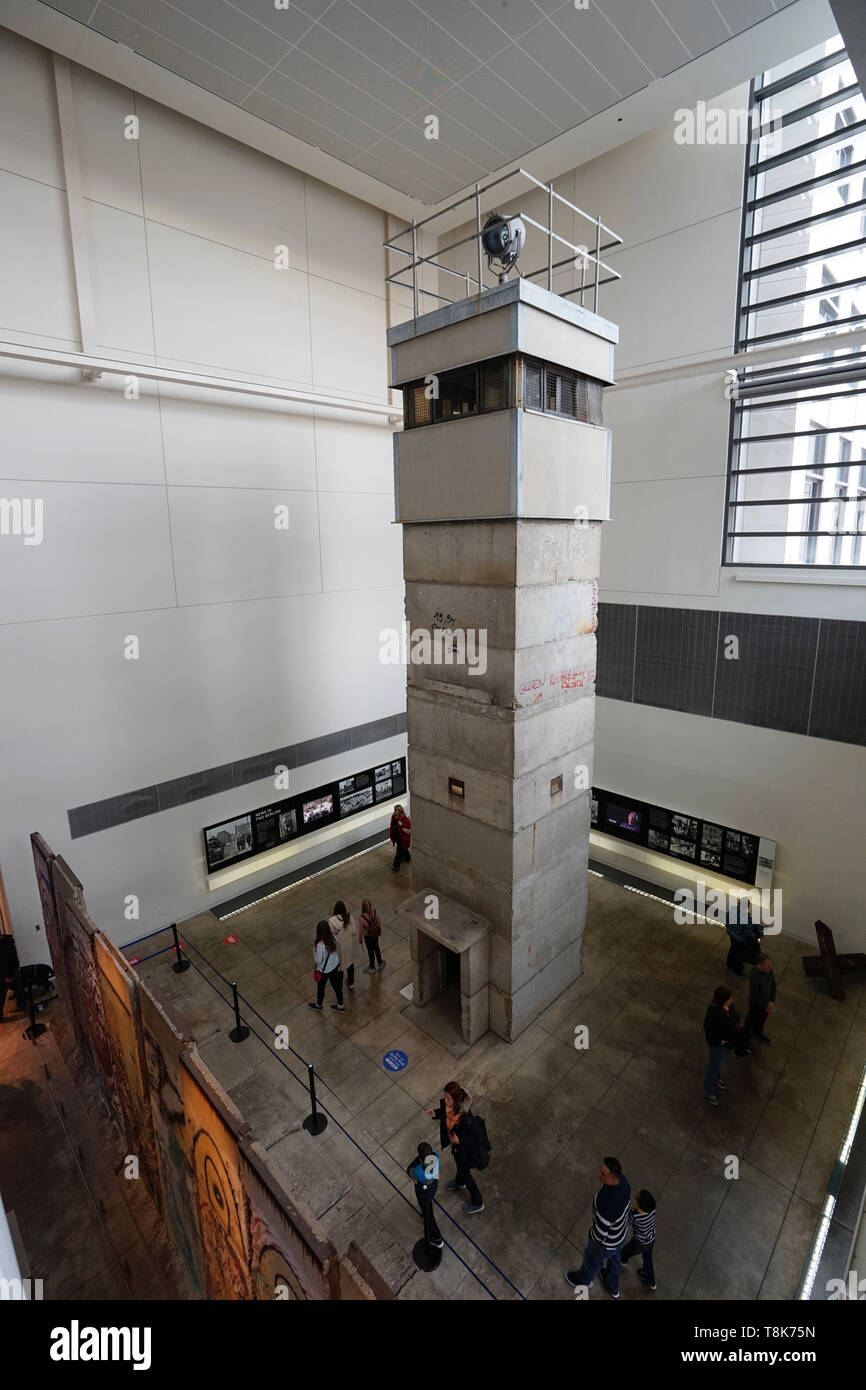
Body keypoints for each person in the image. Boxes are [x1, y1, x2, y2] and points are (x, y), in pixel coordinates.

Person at [565, 1157, 631, 1298]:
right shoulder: (624, 1183)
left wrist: (594, 1241)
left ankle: (584, 1280)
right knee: (615, 1259)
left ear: (613, 1180)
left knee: (592, 1262)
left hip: (604, 1244)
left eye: (602, 1174)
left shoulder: (605, 1201)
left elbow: (601, 1233)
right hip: (620, 1235)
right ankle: (612, 1286)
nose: (598, 1175)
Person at [427, 1082, 485, 1215]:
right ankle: (459, 1182)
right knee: (458, 1163)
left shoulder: (465, 1117)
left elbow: (476, 1137)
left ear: (457, 1100)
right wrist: (435, 1114)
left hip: (466, 1150)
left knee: (466, 1173)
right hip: (457, 1148)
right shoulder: (447, 1106)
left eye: (449, 1099)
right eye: (445, 1097)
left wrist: (460, 1141)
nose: (446, 1101)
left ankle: (478, 1202)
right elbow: (443, 1112)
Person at [703, 985, 739, 1104]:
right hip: (718, 1046)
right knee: (713, 1067)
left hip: (727, 1044)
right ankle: (708, 1090)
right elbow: (708, 1030)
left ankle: (717, 1079)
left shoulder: (728, 1006)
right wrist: (720, 1041)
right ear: (722, 1000)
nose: (731, 1000)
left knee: (718, 1064)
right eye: (729, 998)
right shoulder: (713, 1012)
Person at [407, 1141, 443, 1250]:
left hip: (423, 1191)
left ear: (421, 1158)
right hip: (433, 1185)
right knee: (427, 1208)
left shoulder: (418, 1171)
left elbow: (409, 1170)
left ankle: (437, 1238)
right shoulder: (435, 1156)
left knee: (428, 1213)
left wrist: (418, 1162)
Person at [621, 1188, 656, 1290]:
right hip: (651, 1239)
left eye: (638, 1195)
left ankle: (623, 1259)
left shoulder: (635, 1214)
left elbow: (626, 1221)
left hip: (639, 1242)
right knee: (648, 1259)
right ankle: (651, 1281)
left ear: (639, 1204)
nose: (637, 1191)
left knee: (626, 1250)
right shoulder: (652, 1210)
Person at [308, 920, 344, 1012]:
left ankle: (319, 1005)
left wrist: (314, 949)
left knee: (321, 988)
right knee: (337, 987)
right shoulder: (334, 938)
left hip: (323, 971)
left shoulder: (320, 946)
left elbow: (318, 961)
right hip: (335, 967)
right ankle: (341, 1005)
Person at [743, 953, 776, 1047]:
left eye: (770, 965)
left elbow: (773, 984)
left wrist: (771, 1000)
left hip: (766, 1003)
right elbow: (756, 995)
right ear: (759, 965)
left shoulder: (769, 971)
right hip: (756, 1003)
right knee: (751, 1018)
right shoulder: (754, 976)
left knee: (761, 1019)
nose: (770, 967)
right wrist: (766, 1005)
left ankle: (757, 1033)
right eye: (768, 965)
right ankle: (745, 1035)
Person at [725, 900, 761, 976]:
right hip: (741, 939)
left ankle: (730, 963)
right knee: (740, 954)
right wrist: (755, 936)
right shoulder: (747, 919)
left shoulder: (732, 910)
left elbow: (727, 921)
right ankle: (738, 971)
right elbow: (748, 932)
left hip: (732, 935)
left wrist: (729, 928)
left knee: (733, 948)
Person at [329, 900, 356, 989]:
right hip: (349, 946)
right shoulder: (350, 918)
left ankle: (339, 986)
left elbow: (330, 937)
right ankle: (351, 982)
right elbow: (354, 932)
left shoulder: (332, 921)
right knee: (350, 963)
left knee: (340, 967)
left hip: (339, 948)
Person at [360, 898, 385, 973]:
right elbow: (379, 922)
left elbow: (362, 930)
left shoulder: (361, 918)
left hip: (367, 936)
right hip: (375, 935)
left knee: (370, 951)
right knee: (376, 947)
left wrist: (360, 938)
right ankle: (380, 963)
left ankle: (372, 967)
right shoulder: (375, 912)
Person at [390, 804, 412, 872]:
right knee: (403, 848)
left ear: (400, 811)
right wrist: (392, 836)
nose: (395, 812)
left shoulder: (404, 819)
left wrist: (401, 824)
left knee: (399, 853)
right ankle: (408, 858)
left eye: (397, 810)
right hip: (397, 837)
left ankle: (396, 866)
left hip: (403, 838)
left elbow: (408, 828)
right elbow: (392, 826)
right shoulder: (393, 817)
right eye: (395, 810)